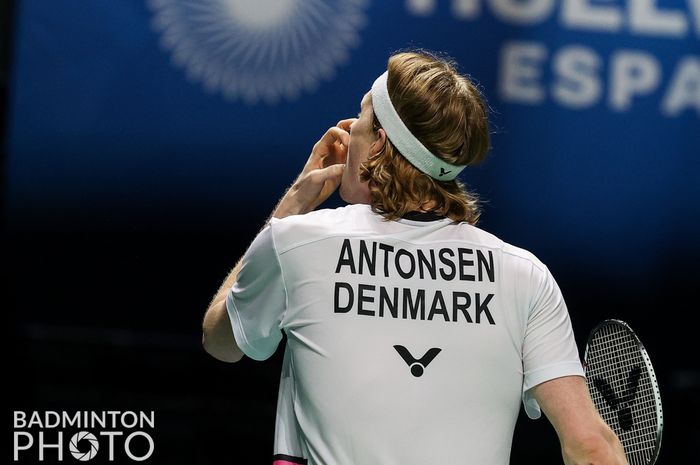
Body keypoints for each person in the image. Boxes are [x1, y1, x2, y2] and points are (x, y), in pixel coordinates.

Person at [202, 50, 628, 465]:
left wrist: (290, 207)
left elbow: (222, 340)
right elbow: (590, 448)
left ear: (379, 145)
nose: (347, 128)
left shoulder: (296, 242)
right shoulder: (526, 276)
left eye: (363, 118)